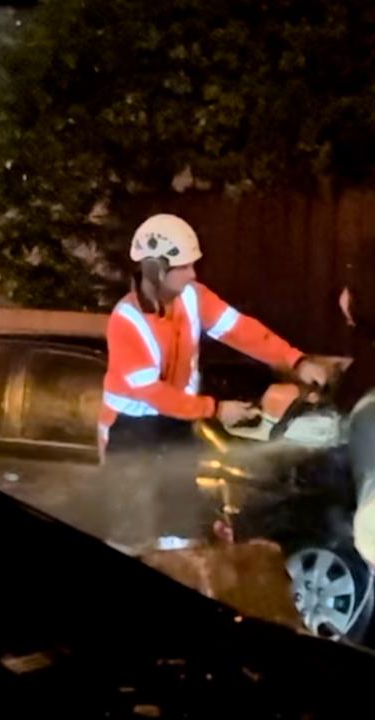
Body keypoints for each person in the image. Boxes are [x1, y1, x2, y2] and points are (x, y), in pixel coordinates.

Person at [98, 213, 337, 549]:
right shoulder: (128, 321)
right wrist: (214, 409)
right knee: (129, 538)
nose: (193, 274)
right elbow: (153, 394)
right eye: (183, 267)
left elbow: (241, 330)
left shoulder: (193, 296)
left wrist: (295, 360)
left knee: (180, 532)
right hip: (131, 431)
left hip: (175, 423)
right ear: (156, 269)